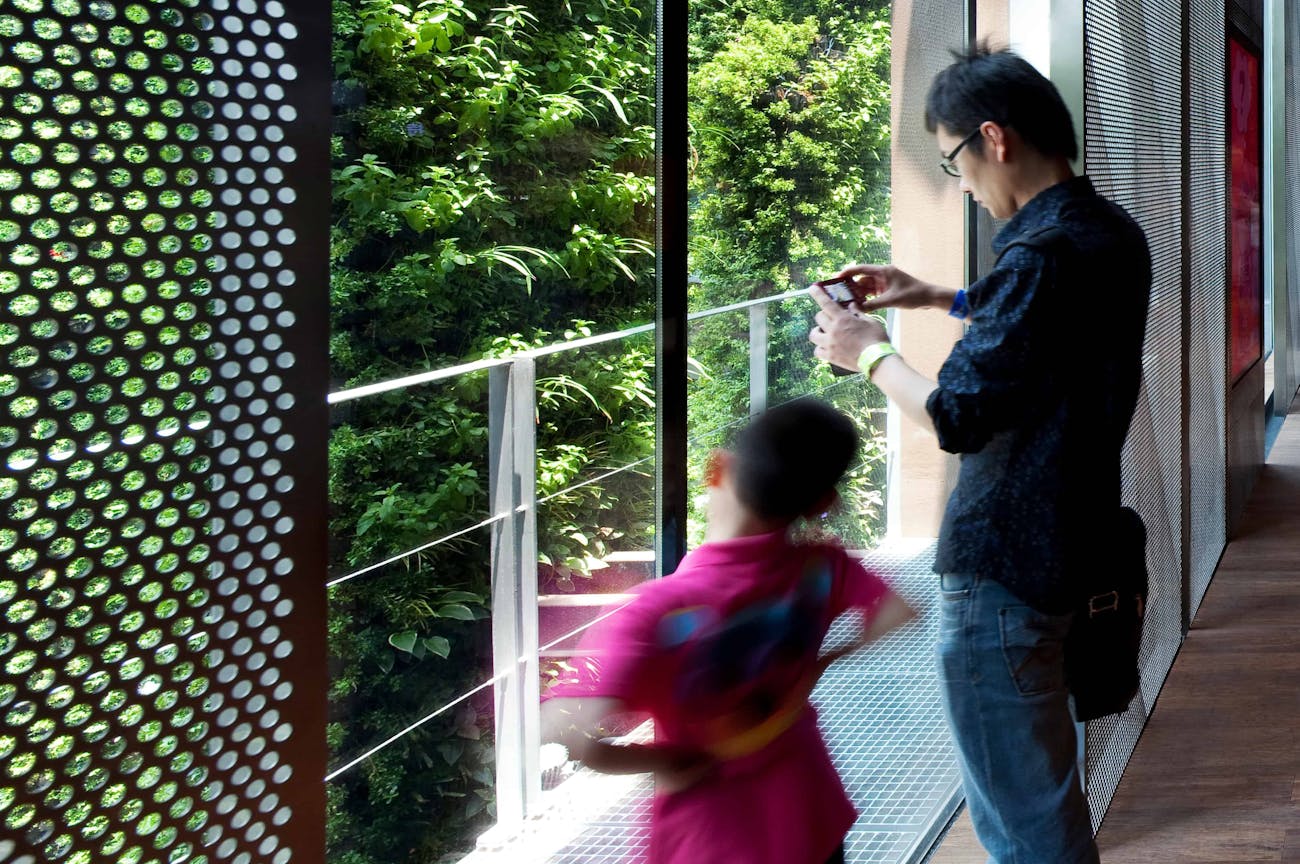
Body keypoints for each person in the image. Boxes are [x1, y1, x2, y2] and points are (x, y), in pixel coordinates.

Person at [807, 45, 1151, 864]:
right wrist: (933, 295)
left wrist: (867, 351)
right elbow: (1048, 336)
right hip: (1072, 546)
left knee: (1027, 827)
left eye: (953, 159)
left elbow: (958, 413)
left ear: (994, 139)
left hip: (1004, 565)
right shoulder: (1106, 231)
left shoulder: (1038, 256)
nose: (959, 181)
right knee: (1045, 800)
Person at [542, 397, 916, 864]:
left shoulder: (656, 611)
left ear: (717, 468)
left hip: (711, 838)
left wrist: (662, 761)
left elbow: (566, 728)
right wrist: (819, 664)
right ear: (823, 502)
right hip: (808, 812)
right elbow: (898, 610)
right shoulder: (820, 570)